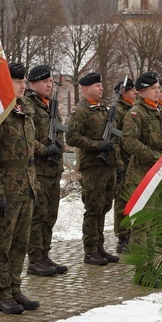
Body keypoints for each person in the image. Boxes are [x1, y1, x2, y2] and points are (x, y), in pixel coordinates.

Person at [0, 62, 41, 314]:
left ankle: (15, 288)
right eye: (18, 81)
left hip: (26, 187)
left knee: (20, 242)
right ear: (5, 83)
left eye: (24, 81)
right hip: (6, 189)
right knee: (2, 243)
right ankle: (1, 293)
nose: (23, 85)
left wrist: (33, 185)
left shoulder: (22, 111)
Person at [67, 72, 120, 266]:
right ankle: (90, 250)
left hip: (107, 165)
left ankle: (99, 247)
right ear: (85, 89)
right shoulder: (81, 111)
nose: (101, 88)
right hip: (92, 166)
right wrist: (98, 146)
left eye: (101, 85)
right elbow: (72, 137)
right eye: (97, 85)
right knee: (93, 208)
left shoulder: (103, 109)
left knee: (104, 206)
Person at [24, 65, 65, 277]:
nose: (49, 85)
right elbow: (27, 137)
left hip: (53, 170)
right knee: (38, 216)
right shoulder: (28, 105)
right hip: (38, 170)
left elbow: (59, 132)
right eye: (44, 81)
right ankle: (34, 259)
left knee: (50, 215)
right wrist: (43, 149)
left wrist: (59, 146)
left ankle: (45, 254)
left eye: (50, 81)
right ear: (32, 84)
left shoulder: (51, 106)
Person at [121, 72, 162, 249]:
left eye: (158, 88)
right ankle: (141, 269)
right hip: (142, 175)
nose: (157, 91)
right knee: (142, 223)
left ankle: (151, 265)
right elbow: (129, 142)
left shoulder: (157, 111)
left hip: (158, 174)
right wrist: (156, 157)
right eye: (153, 88)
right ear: (141, 91)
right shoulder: (136, 113)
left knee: (156, 221)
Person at [112, 77, 137, 254]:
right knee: (122, 200)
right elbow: (115, 138)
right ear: (124, 92)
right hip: (122, 160)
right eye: (132, 90)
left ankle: (131, 234)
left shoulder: (133, 109)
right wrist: (119, 162)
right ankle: (122, 236)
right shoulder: (118, 110)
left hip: (133, 161)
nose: (135, 92)